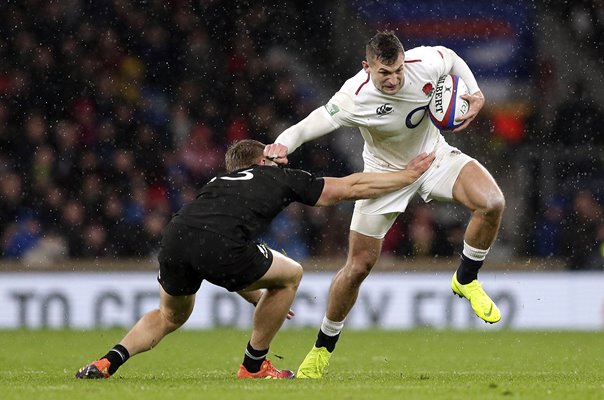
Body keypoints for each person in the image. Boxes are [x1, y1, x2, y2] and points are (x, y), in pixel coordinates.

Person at [75, 139, 435, 380]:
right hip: (220, 243)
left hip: (176, 236)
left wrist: (260, 296)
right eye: (271, 153)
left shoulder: (219, 180)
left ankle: (109, 361)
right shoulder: (278, 177)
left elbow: (219, 257)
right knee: (291, 274)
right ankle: (254, 366)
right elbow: (352, 187)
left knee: (169, 315)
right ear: (262, 162)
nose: (280, 154)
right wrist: (406, 176)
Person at [263, 31, 505, 378]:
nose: (393, 79)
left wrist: (475, 91)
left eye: (397, 71)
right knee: (358, 267)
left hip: (433, 159)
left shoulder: (423, 64)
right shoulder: (353, 96)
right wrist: (282, 144)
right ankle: (322, 349)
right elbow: (306, 126)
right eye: (384, 73)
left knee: (492, 202)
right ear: (367, 68)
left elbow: (450, 56)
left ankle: (466, 280)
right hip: (384, 177)